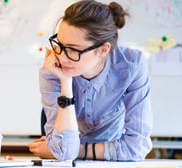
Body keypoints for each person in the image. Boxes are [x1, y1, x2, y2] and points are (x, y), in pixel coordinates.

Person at [28, 0, 152, 161]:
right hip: (76, 155)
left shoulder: (131, 66)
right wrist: (65, 81)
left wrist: (78, 151)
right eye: (60, 44)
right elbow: (63, 153)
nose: (62, 57)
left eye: (73, 50)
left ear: (103, 50)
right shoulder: (54, 68)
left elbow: (137, 148)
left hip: (112, 159)